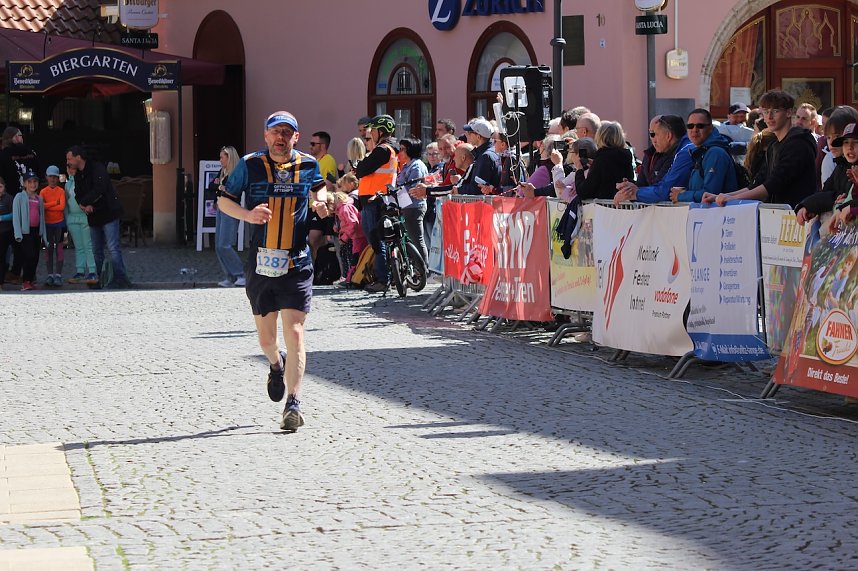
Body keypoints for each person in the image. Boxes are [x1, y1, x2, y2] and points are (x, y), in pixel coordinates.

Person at [217, 110, 329, 432]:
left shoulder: (308, 164)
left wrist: (320, 201)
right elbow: (223, 201)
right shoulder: (249, 165)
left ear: (296, 136)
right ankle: (275, 363)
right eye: (275, 132)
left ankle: (293, 403)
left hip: (297, 259)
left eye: (287, 132)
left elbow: (319, 187)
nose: (280, 137)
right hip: (262, 262)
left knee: (295, 332)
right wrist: (247, 215)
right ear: (265, 136)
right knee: (267, 340)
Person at [703, 89, 817, 208]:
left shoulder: (798, 143)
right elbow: (758, 183)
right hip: (777, 215)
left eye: (776, 111)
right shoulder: (774, 146)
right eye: (766, 112)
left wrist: (732, 198)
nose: (769, 117)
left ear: (789, 113)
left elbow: (775, 183)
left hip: (796, 216)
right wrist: (720, 196)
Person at [65, 145, 132, 289]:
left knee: (113, 247)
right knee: (96, 249)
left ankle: (121, 278)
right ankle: (96, 279)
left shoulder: (97, 168)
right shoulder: (78, 174)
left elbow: (99, 189)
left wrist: (84, 202)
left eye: (69, 158)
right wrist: (83, 205)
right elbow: (77, 192)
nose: (68, 162)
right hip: (93, 214)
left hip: (108, 211)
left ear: (78, 157)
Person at [356, 114, 399, 293]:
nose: (370, 133)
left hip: (374, 200)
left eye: (372, 130)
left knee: (377, 240)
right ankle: (388, 276)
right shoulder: (386, 148)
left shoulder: (383, 149)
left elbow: (362, 169)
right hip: (377, 199)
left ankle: (384, 279)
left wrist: (360, 166)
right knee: (380, 240)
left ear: (381, 131)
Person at [614, 114, 693, 205]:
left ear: (668, 136)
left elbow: (664, 190)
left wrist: (635, 192)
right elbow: (662, 186)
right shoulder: (682, 150)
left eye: (654, 134)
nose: (653, 140)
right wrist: (632, 188)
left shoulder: (685, 152)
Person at [671, 108, 738, 203]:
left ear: (710, 128)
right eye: (690, 126)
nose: (694, 130)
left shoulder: (715, 153)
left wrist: (682, 196)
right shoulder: (700, 151)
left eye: (700, 126)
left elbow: (710, 193)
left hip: (720, 215)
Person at [0, 127, 39, 284]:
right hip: (30, 197)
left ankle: (15, 272)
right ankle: (28, 274)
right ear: (14, 138)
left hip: (10, 198)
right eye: (20, 135)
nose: (22, 138)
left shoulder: (3, 155)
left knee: (11, 236)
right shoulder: (32, 152)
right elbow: (39, 172)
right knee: (27, 237)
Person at [574, 121, 634, 201]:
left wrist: (579, 170)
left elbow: (584, 191)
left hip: (604, 209)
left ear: (600, 137)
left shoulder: (602, 158)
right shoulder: (626, 156)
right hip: (623, 207)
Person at [213, 146, 246, 288]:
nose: (220, 160)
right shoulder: (223, 172)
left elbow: (234, 191)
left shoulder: (235, 174)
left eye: (222, 157)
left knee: (224, 245)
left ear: (229, 158)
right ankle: (230, 276)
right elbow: (211, 186)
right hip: (221, 208)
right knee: (218, 246)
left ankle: (241, 275)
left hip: (231, 210)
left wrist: (222, 188)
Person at [63, 162, 98, 284]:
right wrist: (67, 219)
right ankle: (80, 271)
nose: (71, 170)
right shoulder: (67, 185)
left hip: (85, 217)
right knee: (78, 247)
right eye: (69, 168)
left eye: (73, 168)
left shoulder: (83, 182)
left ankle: (92, 271)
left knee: (88, 245)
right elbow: (66, 204)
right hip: (73, 219)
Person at [396, 137, 429, 264]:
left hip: (414, 206)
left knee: (417, 240)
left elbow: (413, 188)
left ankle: (423, 269)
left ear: (410, 150)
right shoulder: (407, 166)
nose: (400, 152)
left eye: (403, 149)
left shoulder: (416, 166)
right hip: (407, 206)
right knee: (412, 240)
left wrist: (397, 191)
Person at [12, 170, 46, 291]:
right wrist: (18, 233)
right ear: (24, 184)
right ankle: (25, 281)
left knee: (36, 256)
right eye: (29, 182)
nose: (33, 184)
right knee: (29, 256)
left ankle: (31, 280)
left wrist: (43, 234)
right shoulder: (19, 197)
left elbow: (42, 217)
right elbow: (16, 217)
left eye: (35, 181)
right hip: (25, 232)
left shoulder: (39, 199)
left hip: (36, 231)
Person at [308, 131, 337, 259]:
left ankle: (318, 269)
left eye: (313, 144)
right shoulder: (315, 161)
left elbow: (329, 184)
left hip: (321, 206)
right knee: (312, 240)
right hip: (310, 205)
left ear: (323, 145)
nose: (310, 146)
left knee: (314, 239)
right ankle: (315, 268)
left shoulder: (328, 160)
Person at [331, 181, 367, 284]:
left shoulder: (345, 208)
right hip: (355, 236)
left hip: (357, 236)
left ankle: (353, 278)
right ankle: (350, 277)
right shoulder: (342, 209)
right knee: (351, 256)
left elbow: (352, 224)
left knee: (355, 257)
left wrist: (344, 237)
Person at [459, 117, 501, 195]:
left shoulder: (485, 156)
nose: (467, 134)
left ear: (478, 137)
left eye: (470, 132)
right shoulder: (492, 152)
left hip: (486, 204)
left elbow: (477, 188)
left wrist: (459, 190)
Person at [39, 165, 67, 287]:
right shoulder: (43, 191)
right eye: (50, 177)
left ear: (58, 178)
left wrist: (48, 205)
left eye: (55, 177)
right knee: (48, 250)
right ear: (46, 177)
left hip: (59, 224)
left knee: (59, 249)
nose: (53, 179)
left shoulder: (61, 191)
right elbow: (41, 206)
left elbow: (62, 207)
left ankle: (58, 275)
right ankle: (50, 274)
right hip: (47, 224)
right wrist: (54, 203)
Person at [0, 177, 12, 288]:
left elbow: (14, 214)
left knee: (3, 256)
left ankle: (1, 282)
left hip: (5, 231)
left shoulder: (8, 198)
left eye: (0, 187)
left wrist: (2, 218)